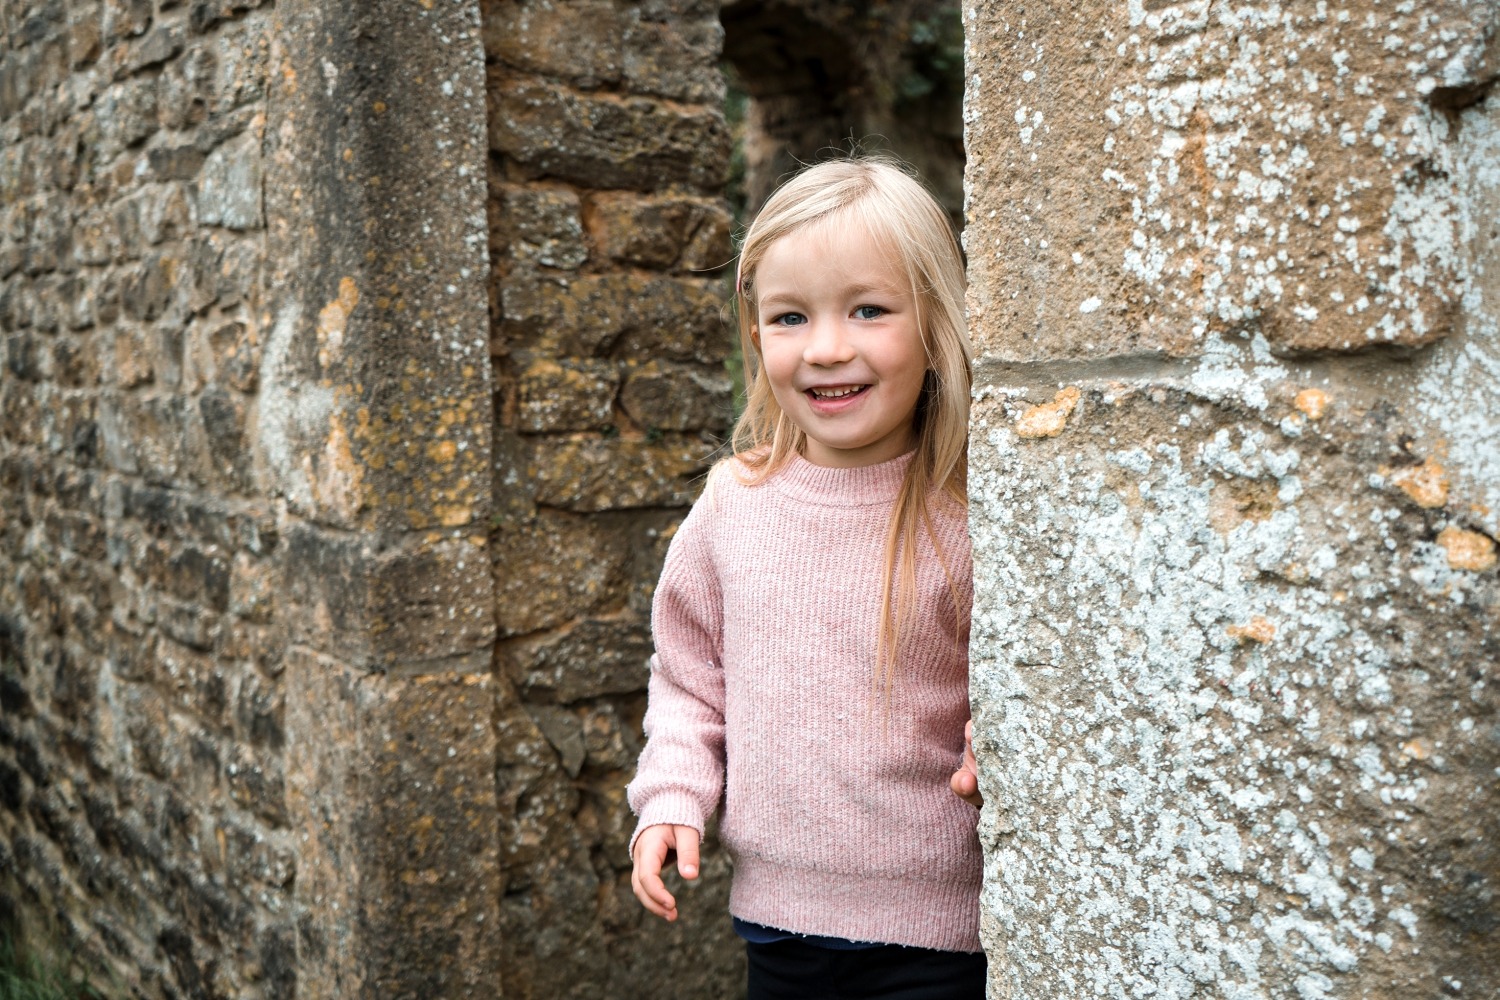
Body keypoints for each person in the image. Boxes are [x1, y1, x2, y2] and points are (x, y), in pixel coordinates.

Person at [627, 155, 984, 1000]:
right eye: (790, 317)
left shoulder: (971, 516)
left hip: (940, 938)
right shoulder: (733, 504)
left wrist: (1000, 735)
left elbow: (1017, 682)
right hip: (778, 925)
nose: (827, 348)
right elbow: (689, 678)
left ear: (936, 323)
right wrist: (673, 794)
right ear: (756, 335)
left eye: (869, 309)